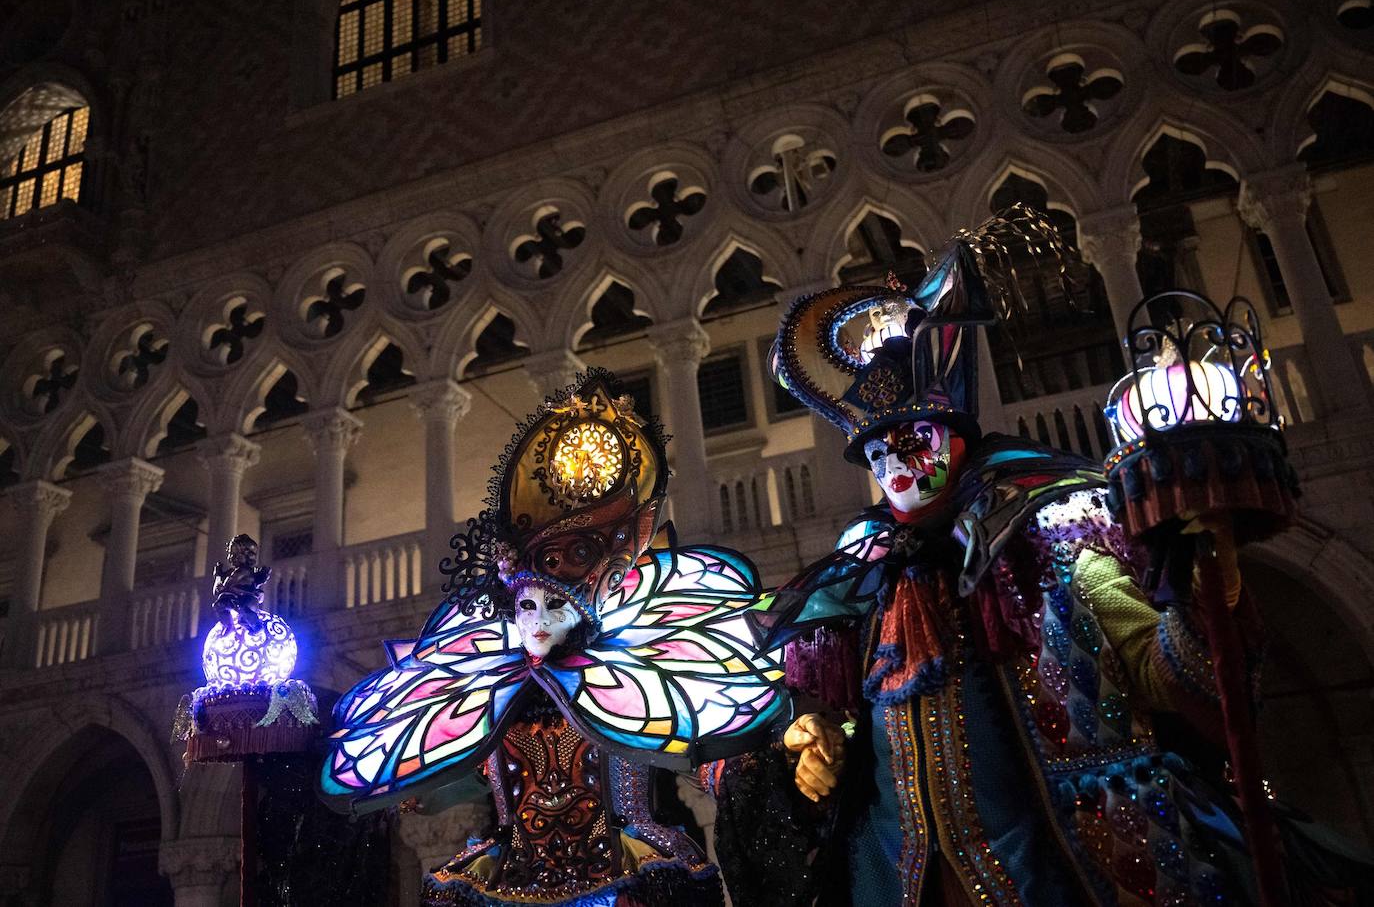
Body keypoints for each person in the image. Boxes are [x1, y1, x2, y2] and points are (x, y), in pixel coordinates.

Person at [737, 209, 1280, 905]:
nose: (898, 466)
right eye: (879, 453)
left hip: (1067, 868)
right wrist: (820, 740)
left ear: (956, 433)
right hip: (901, 878)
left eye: (915, 441)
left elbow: (1171, 675)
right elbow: (856, 718)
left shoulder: (1049, 533)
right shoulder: (865, 578)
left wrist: (1211, 582)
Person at [320, 370, 788, 906]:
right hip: (512, 876)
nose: (537, 621)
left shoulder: (629, 677)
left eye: (555, 605)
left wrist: (744, 762)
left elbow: (692, 743)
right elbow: (456, 775)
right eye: (526, 606)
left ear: (585, 610)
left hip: (619, 871)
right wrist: (406, 788)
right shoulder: (492, 694)